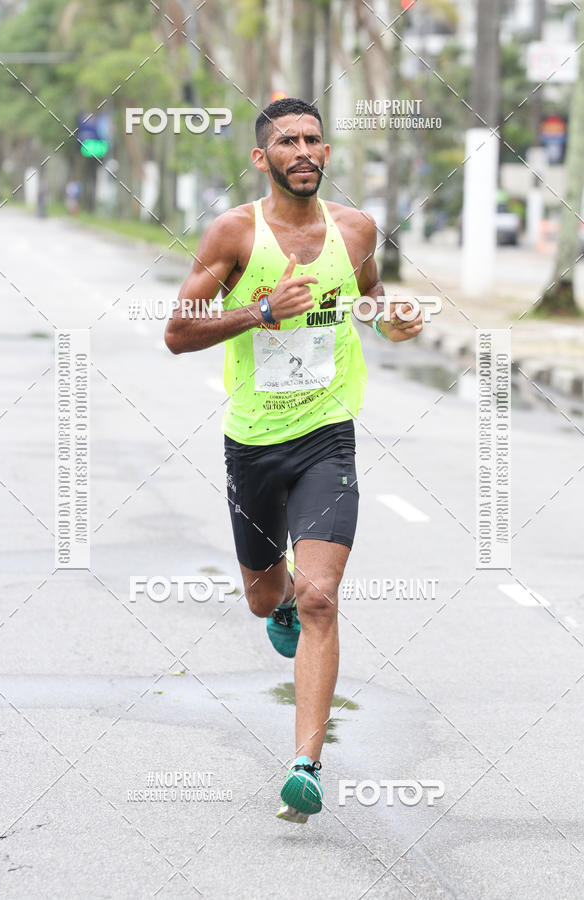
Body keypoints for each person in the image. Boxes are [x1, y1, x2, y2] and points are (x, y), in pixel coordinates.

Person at [165, 97, 422, 824]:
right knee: (264, 596)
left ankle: (306, 766)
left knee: (319, 595)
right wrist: (258, 312)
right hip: (252, 441)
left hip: (327, 435)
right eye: (288, 142)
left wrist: (394, 321)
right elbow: (177, 334)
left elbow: (369, 299)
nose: (304, 151)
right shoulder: (235, 234)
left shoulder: (357, 229)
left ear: (326, 153)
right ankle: (272, 602)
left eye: (314, 139)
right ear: (262, 158)